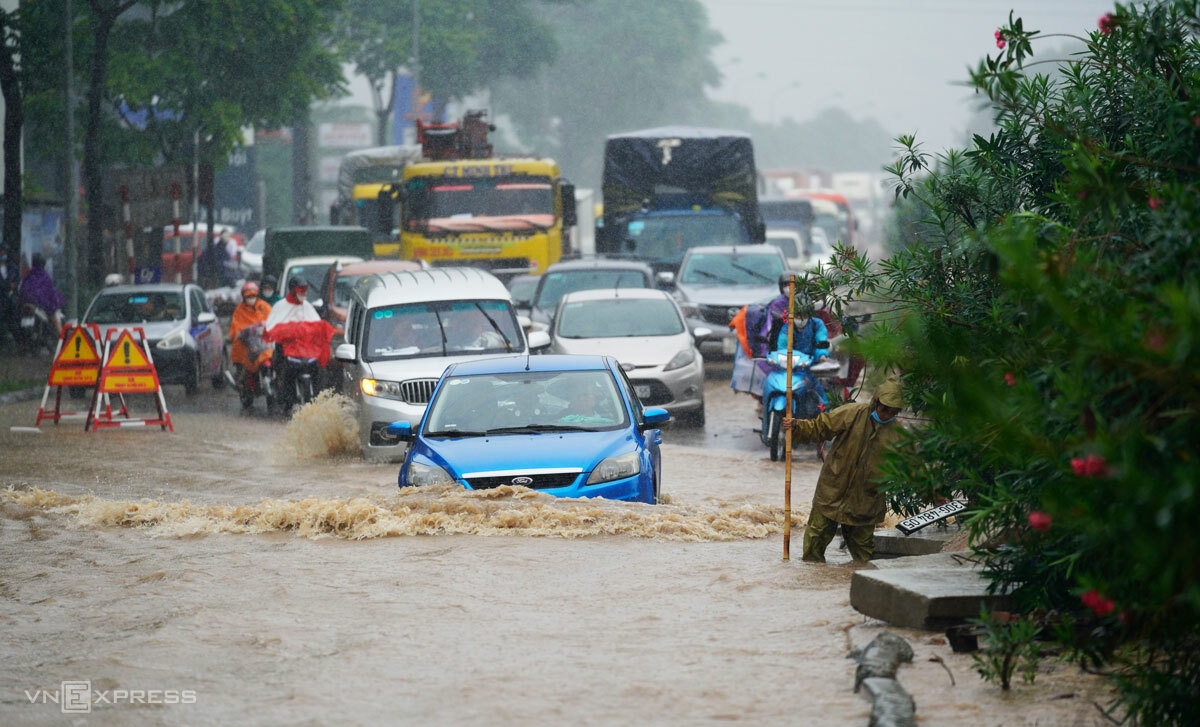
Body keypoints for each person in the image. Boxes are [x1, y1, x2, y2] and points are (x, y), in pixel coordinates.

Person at [783, 380, 907, 563]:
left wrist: (933, 494)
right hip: (832, 492)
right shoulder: (852, 413)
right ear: (875, 403)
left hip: (865, 502)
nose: (887, 414)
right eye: (884, 409)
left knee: (864, 557)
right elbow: (820, 428)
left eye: (892, 412)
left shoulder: (897, 434)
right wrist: (797, 426)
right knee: (813, 549)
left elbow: (912, 467)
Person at [230, 281, 273, 408]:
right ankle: (246, 388)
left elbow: (272, 321)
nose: (251, 299)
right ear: (244, 297)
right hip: (246, 344)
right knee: (245, 361)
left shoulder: (264, 307)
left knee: (271, 355)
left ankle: (270, 380)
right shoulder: (239, 310)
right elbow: (235, 329)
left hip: (263, 342)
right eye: (248, 297)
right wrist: (245, 332)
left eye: (253, 296)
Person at [18, 253, 65, 334]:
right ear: (43, 264)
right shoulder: (44, 276)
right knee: (55, 317)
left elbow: (22, 290)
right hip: (40, 305)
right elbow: (50, 293)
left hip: (26, 303)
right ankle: (63, 339)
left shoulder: (29, 275)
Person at [0, 249, 19, 343]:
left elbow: (17, 280)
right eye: (1, 253)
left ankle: (17, 342)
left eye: (4, 253)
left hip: (10, 299)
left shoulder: (12, 267)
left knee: (13, 320)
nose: (3, 255)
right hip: (1, 298)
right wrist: (7, 285)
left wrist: (14, 285)